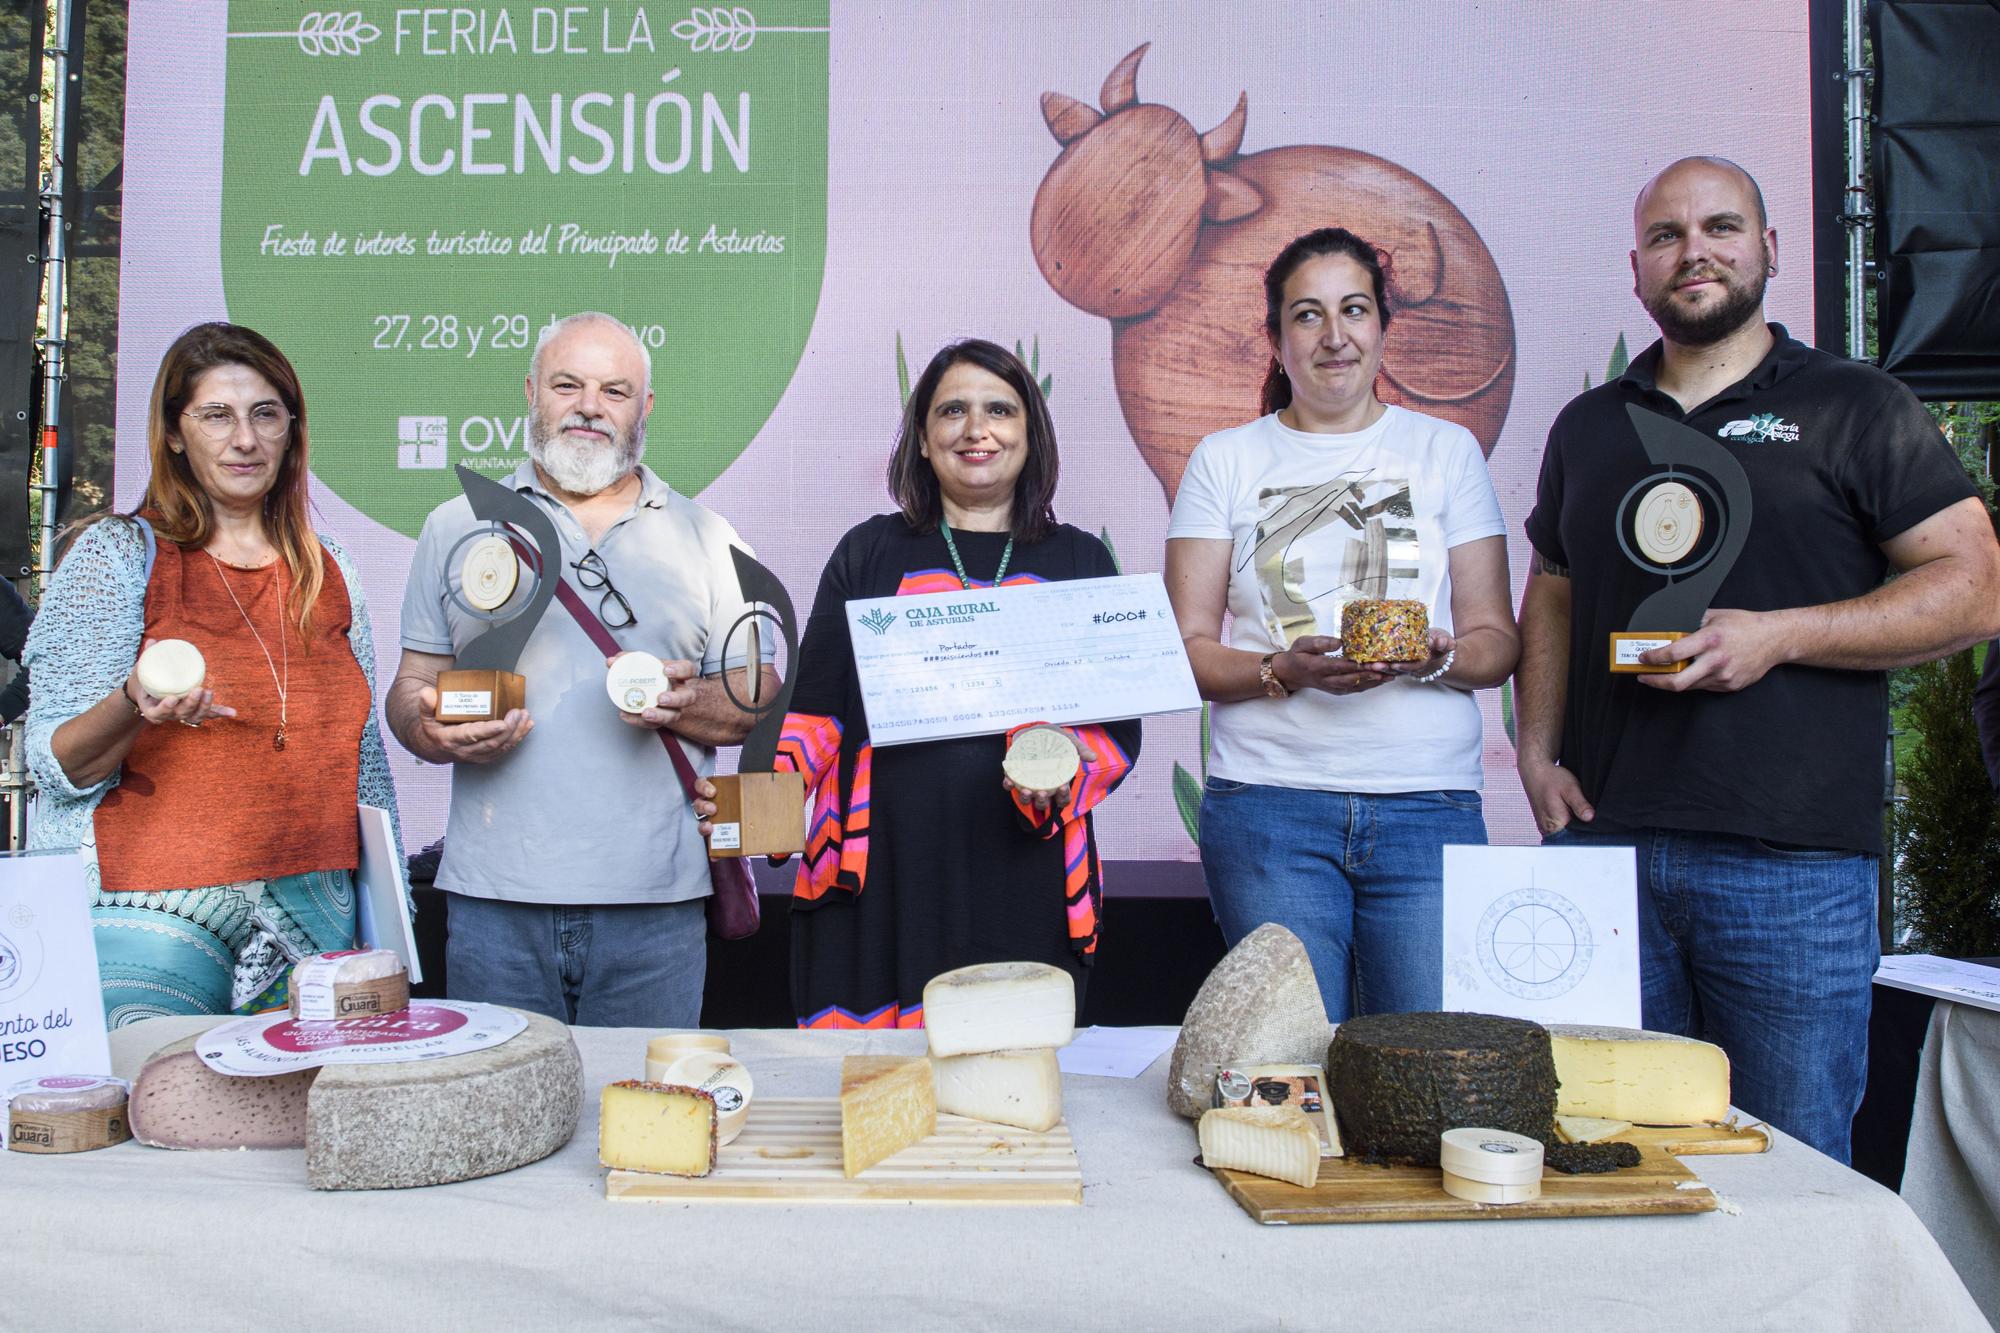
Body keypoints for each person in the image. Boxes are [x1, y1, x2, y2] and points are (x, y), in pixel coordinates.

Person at [1516, 156, 2000, 1162]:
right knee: (1606, 1162)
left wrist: (1779, 634)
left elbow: (1971, 587)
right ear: (1636, 269)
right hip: (1604, 856)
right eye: (1664, 235)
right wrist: (1532, 750)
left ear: (1767, 250)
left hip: (1791, 868)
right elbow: (1552, 585)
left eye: (1719, 227)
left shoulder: (1854, 404)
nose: (1692, 250)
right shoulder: (1587, 426)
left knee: (1794, 1168)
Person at [701, 338, 1139, 1029]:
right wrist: (760, 804)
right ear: (925, 441)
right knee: (871, 1098)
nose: (976, 428)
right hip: (876, 878)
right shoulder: (869, 552)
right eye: (952, 411)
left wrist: (1060, 775)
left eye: (999, 409)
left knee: (1008, 1096)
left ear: (1031, 435)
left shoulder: (1079, 558)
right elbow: (816, 713)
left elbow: (1116, 733)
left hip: (1021, 876)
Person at [1163, 227, 1518, 1023]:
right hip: (1268, 809)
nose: (1334, 336)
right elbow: (1184, 651)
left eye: (1353, 309)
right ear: (1276, 336)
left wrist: (1431, 658)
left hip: (1428, 806)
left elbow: (1496, 642)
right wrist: (1283, 670)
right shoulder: (1225, 460)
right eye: (1308, 315)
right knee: (1293, 1073)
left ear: (1383, 324)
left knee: (1427, 1069)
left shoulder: (1445, 451)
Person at [388, 312, 772, 1029]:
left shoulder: (707, 536)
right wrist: (433, 731)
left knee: (641, 1125)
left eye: (615, 390)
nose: (590, 406)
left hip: (657, 909)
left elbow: (755, 701)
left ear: (644, 407)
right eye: (568, 384)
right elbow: (410, 691)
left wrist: (683, 704)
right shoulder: (453, 525)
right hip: (492, 903)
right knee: (499, 1125)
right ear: (532, 391)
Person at [24, 322, 401, 1025]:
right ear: (174, 433)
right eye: (216, 415)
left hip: (312, 919)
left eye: (265, 414)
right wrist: (133, 701)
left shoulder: (331, 568)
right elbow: (52, 763)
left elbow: (365, 763)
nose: (245, 439)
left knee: (293, 1127)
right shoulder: (117, 556)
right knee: (161, 1116)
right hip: (154, 914)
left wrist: (393, 925)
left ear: (291, 428)